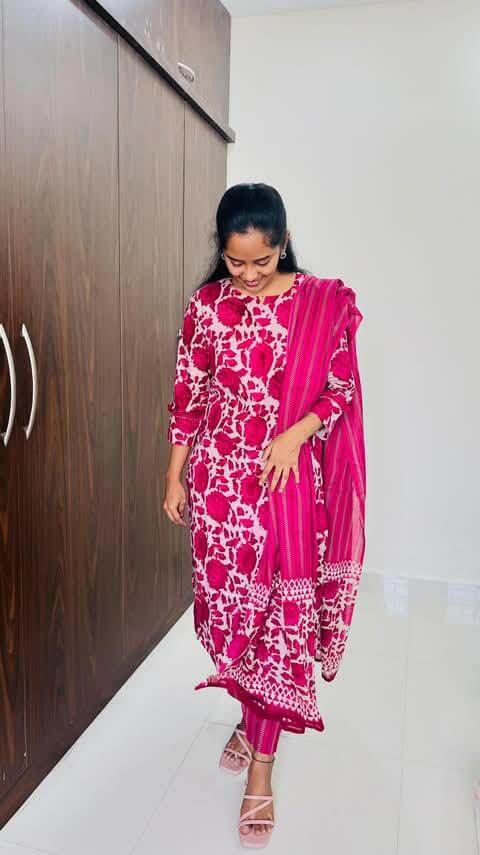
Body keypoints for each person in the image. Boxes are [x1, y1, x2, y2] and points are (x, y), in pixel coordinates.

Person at [163, 182, 366, 847]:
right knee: (236, 621)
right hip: (220, 496)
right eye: (235, 261)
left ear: (284, 243)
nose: (248, 275)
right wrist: (174, 475)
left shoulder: (319, 304)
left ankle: (261, 769)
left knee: (280, 626)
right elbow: (189, 395)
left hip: (284, 492)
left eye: (262, 260)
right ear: (220, 251)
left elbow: (338, 389)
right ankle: (251, 717)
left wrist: (295, 434)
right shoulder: (206, 306)